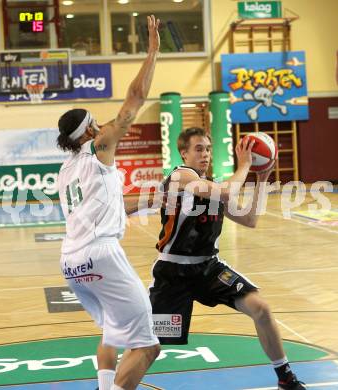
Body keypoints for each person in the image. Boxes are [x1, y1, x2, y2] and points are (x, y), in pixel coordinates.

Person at [149, 127, 306, 390]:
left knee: (261, 309)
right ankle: (114, 383)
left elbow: (249, 219)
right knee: (151, 346)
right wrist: (244, 164)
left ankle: (285, 378)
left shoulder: (212, 185)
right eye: (199, 149)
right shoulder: (181, 176)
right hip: (173, 272)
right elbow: (225, 192)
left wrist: (263, 177)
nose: (205, 154)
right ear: (183, 153)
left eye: (208, 149)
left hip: (209, 268)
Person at [57, 15, 161, 390]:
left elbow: (108, 206)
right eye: (97, 123)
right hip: (100, 254)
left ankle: (105, 384)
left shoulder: (66, 169)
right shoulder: (98, 147)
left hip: (70, 260)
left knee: (112, 333)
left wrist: (154, 199)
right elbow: (135, 100)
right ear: (88, 131)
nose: (104, 127)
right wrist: (151, 53)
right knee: (148, 345)